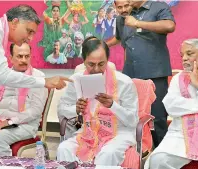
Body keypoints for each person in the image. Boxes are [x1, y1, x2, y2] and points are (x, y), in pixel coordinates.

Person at [0, 5, 72, 119]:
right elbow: (3, 76)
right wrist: (45, 82)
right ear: (14, 23)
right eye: (29, 31)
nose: (31, 38)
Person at [57, 36, 138, 165]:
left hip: (119, 133)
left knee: (107, 153)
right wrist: (76, 109)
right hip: (89, 131)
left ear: (107, 60)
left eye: (101, 64)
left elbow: (132, 121)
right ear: (84, 61)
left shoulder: (124, 82)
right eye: (91, 64)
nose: (96, 69)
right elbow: (62, 109)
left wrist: (112, 105)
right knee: (64, 148)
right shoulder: (76, 80)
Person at [107, 0, 176, 147]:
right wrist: (101, 45)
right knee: (131, 116)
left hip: (155, 72)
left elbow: (169, 26)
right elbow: (119, 39)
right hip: (130, 75)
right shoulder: (123, 17)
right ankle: (137, 153)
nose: (126, 4)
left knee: (158, 118)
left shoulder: (158, 7)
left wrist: (138, 23)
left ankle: (160, 156)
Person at [0, 43, 48, 157]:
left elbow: (35, 111)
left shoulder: (38, 78)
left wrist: (8, 122)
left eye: (27, 56)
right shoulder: (2, 76)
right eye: (19, 56)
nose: (24, 60)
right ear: (11, 58)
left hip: (23, 125)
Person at [144, 39, 198, 169]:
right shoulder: (178, 79)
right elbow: (171, 107)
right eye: (182, 56)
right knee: (158, 160)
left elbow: (178, 105)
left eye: (190, 53)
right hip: (181, 135)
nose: (185, 59)